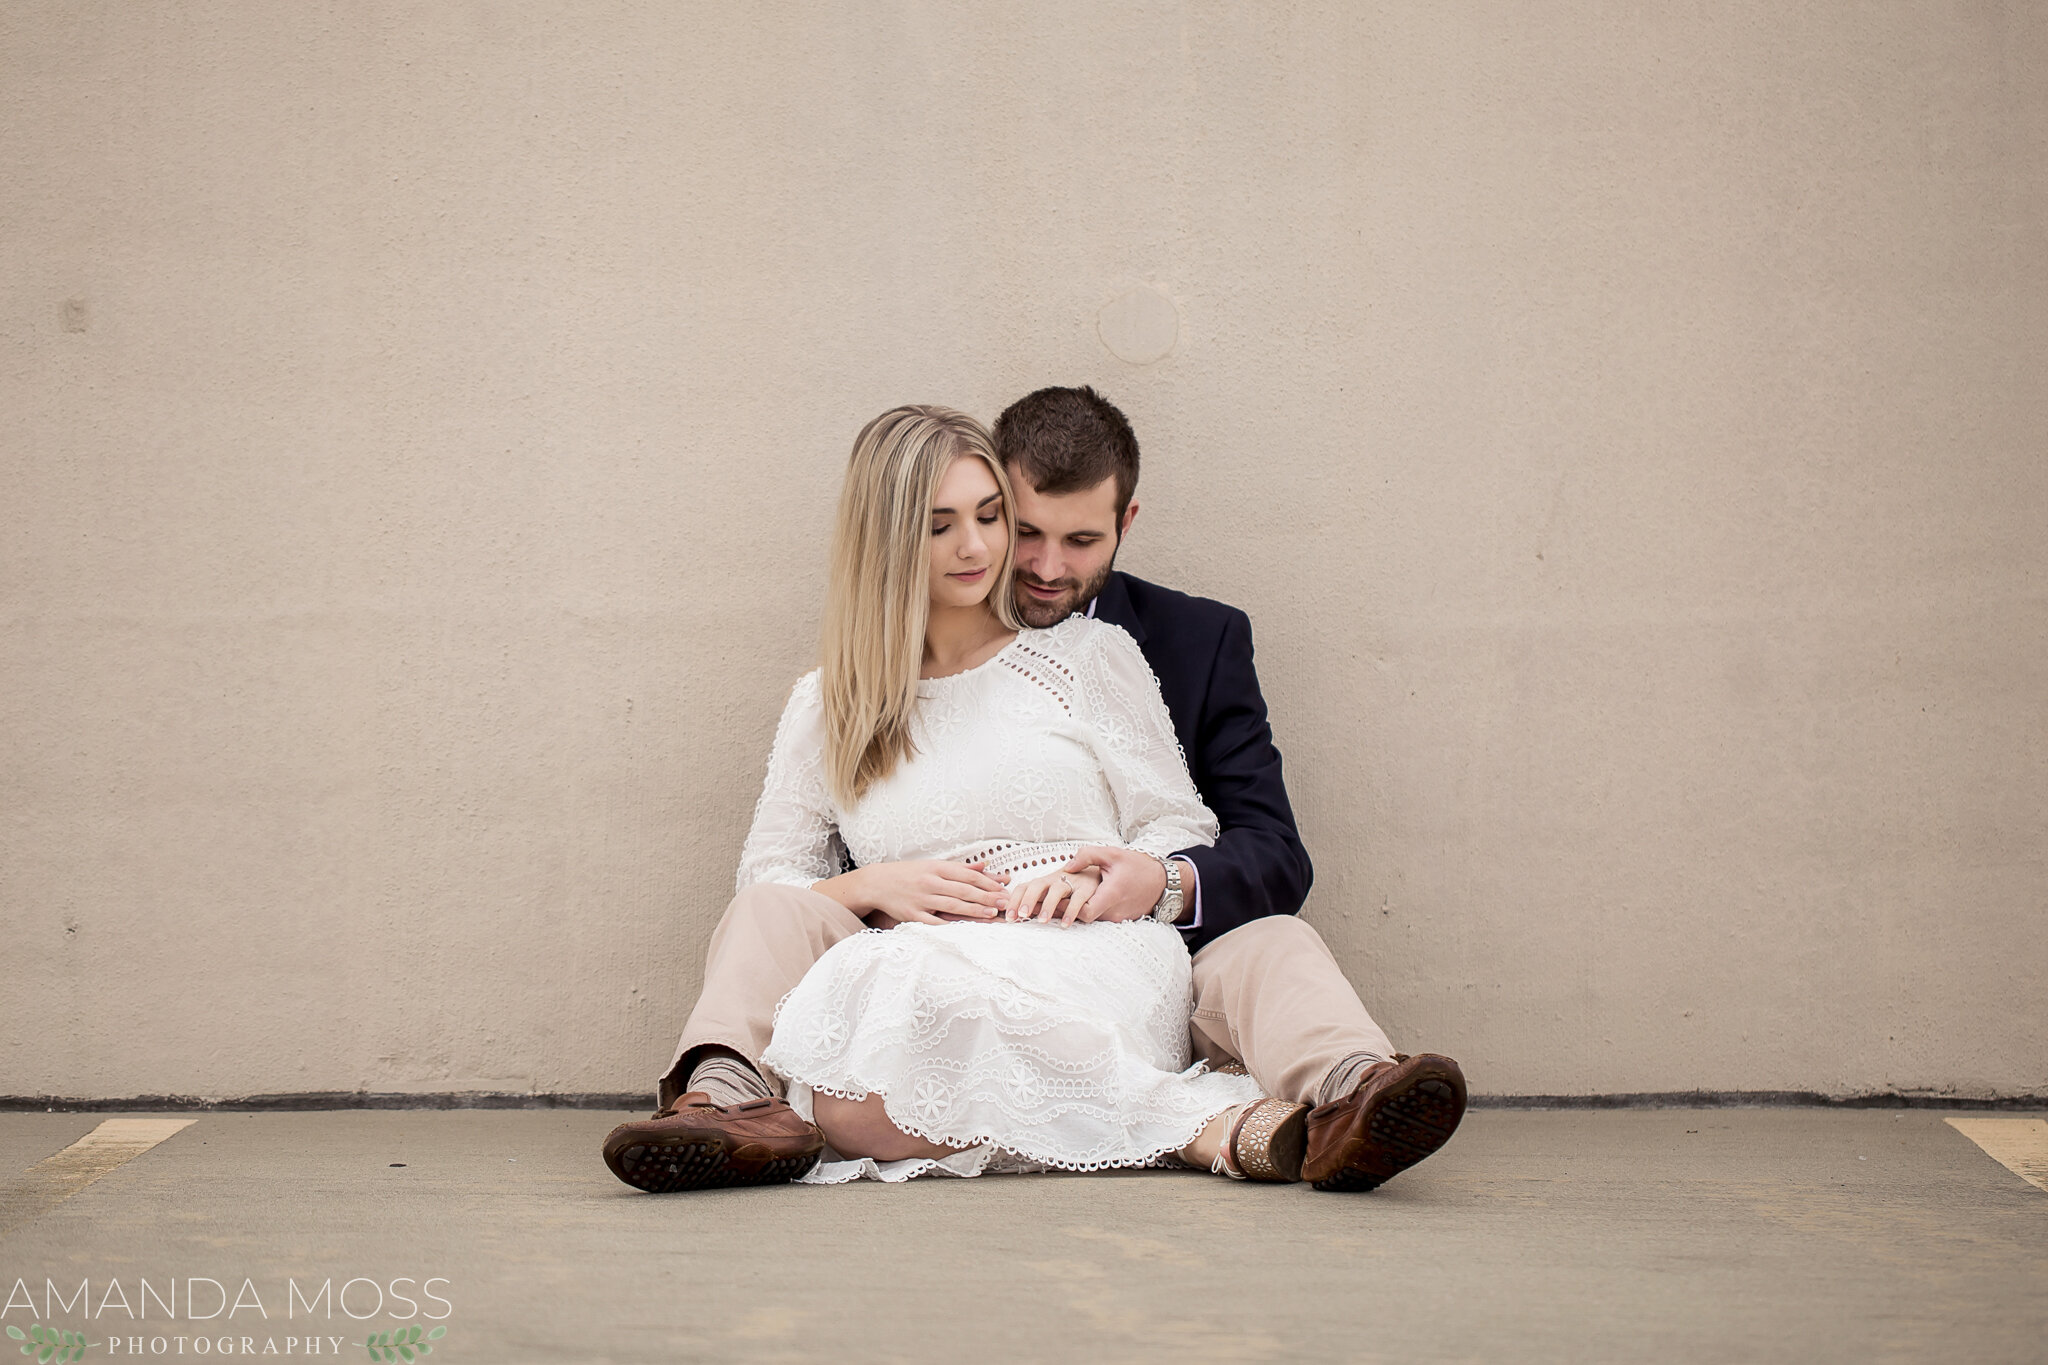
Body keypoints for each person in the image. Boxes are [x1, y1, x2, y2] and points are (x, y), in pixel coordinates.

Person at [603, 387, 1466, 1192]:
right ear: (889, 538)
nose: (982, 548)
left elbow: (1180, 819)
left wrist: (1128, 876)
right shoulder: (827, 703)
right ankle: (721, 1097)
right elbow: (772, 888)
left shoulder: (1091, 657)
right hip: (919, 952)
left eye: (988, 518)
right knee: (852, 1081)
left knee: (1270, 940)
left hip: (1088, 939)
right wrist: (869, 886)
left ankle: (1357, 1090)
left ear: (1122, 522)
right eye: (944, 525)